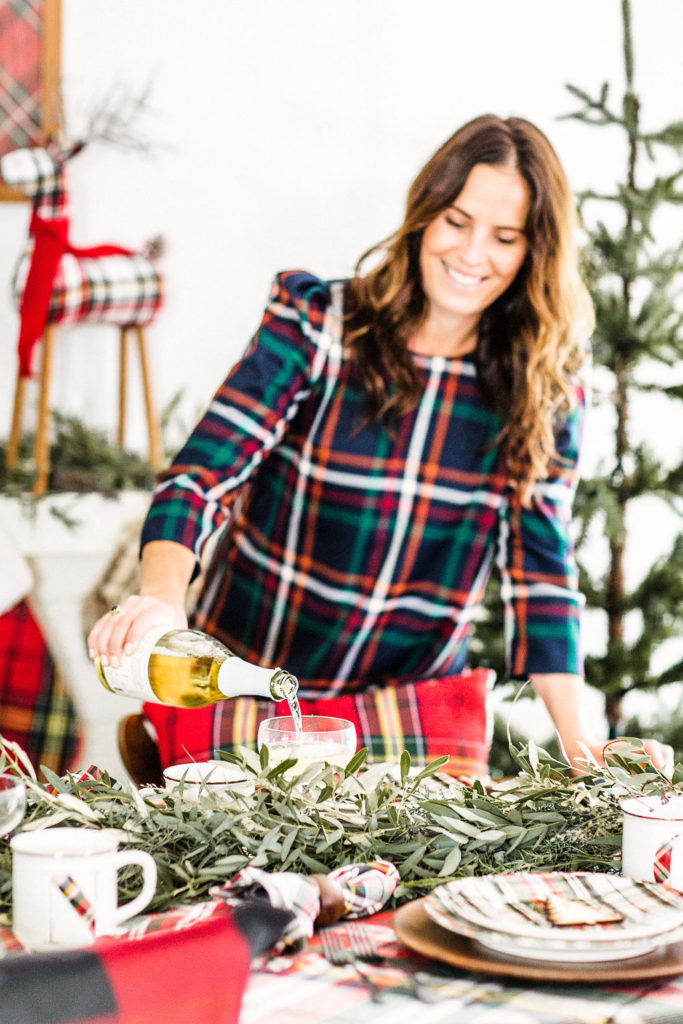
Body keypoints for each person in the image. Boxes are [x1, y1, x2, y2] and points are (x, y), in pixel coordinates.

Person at [87, 113, 671, 777]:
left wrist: (579, 743)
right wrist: (163, 597)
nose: (472, 254)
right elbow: (202, 476)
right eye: (456, 221)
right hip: (249, 685)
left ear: (535, 251)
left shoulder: (544, 385)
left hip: (411, 712)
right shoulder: (318, 326)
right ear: (423, 215)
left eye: (504, 237)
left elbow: (540, 572)